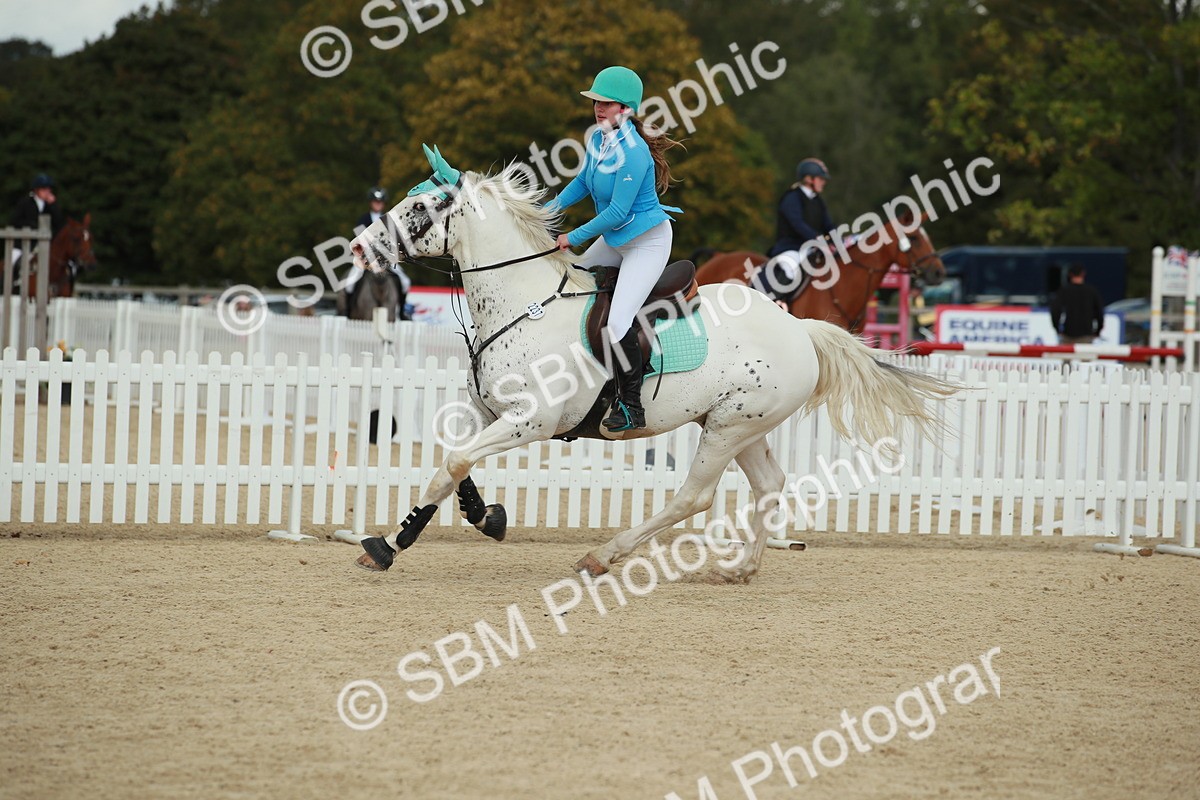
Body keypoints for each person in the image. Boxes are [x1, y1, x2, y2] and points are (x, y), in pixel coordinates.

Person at [544, 66, 683, 432]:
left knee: (619, 323)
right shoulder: (598, 140)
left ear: (625, 109)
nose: (598, 108)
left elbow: (618, 212)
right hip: (617, 237)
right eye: (596, 102)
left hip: (646, 243)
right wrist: (546, 214)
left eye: (606, 103)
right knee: (570, 282)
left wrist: (572, 237)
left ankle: (632, 407)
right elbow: (582, 183)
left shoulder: (634, 153)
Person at [757, 158, 837, 306]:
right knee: (791, 268)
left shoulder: (817, 201)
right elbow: (797, 224)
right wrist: (818, 240)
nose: (823, 182)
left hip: (811, 248)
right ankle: (777, 302)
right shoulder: (792, 197)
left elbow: (828, 224)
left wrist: (837, 241)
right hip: (790, 248)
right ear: (808, 179)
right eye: (820, 179)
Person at [345, 186, 411, 319]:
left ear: (383, 203)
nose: (378, 204)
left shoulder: (389, 219)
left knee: (405, 282)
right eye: (375, 201)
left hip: (386, 259)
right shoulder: (364, 219)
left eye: (380, 202)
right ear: (371, 202)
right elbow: (358, 239)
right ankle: (348, 311)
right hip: (365, 260)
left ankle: (402, 312)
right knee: (349, 284)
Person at [9, 173, 64, 275]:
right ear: (36, 190)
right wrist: (33, 225)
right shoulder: (25, 202)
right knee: (11, 263)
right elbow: (15, 221)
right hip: (23, 244)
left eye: (49, 189)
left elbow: (59, 223)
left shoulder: (50, 206)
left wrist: (53, 205)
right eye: (44, 189)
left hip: (43, 245)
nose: (47, 192)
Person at [1050, 263, 1104, 344]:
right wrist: (1098, 330)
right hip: (1086, 334)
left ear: (1070, 275)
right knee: (1086, 356)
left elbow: (1055, 310)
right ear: (1083, 274)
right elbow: (1099, 312)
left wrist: (1057, 328)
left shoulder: (1064, 291)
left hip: (1068, 334)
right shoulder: (1091, 291)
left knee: (1067, 355)